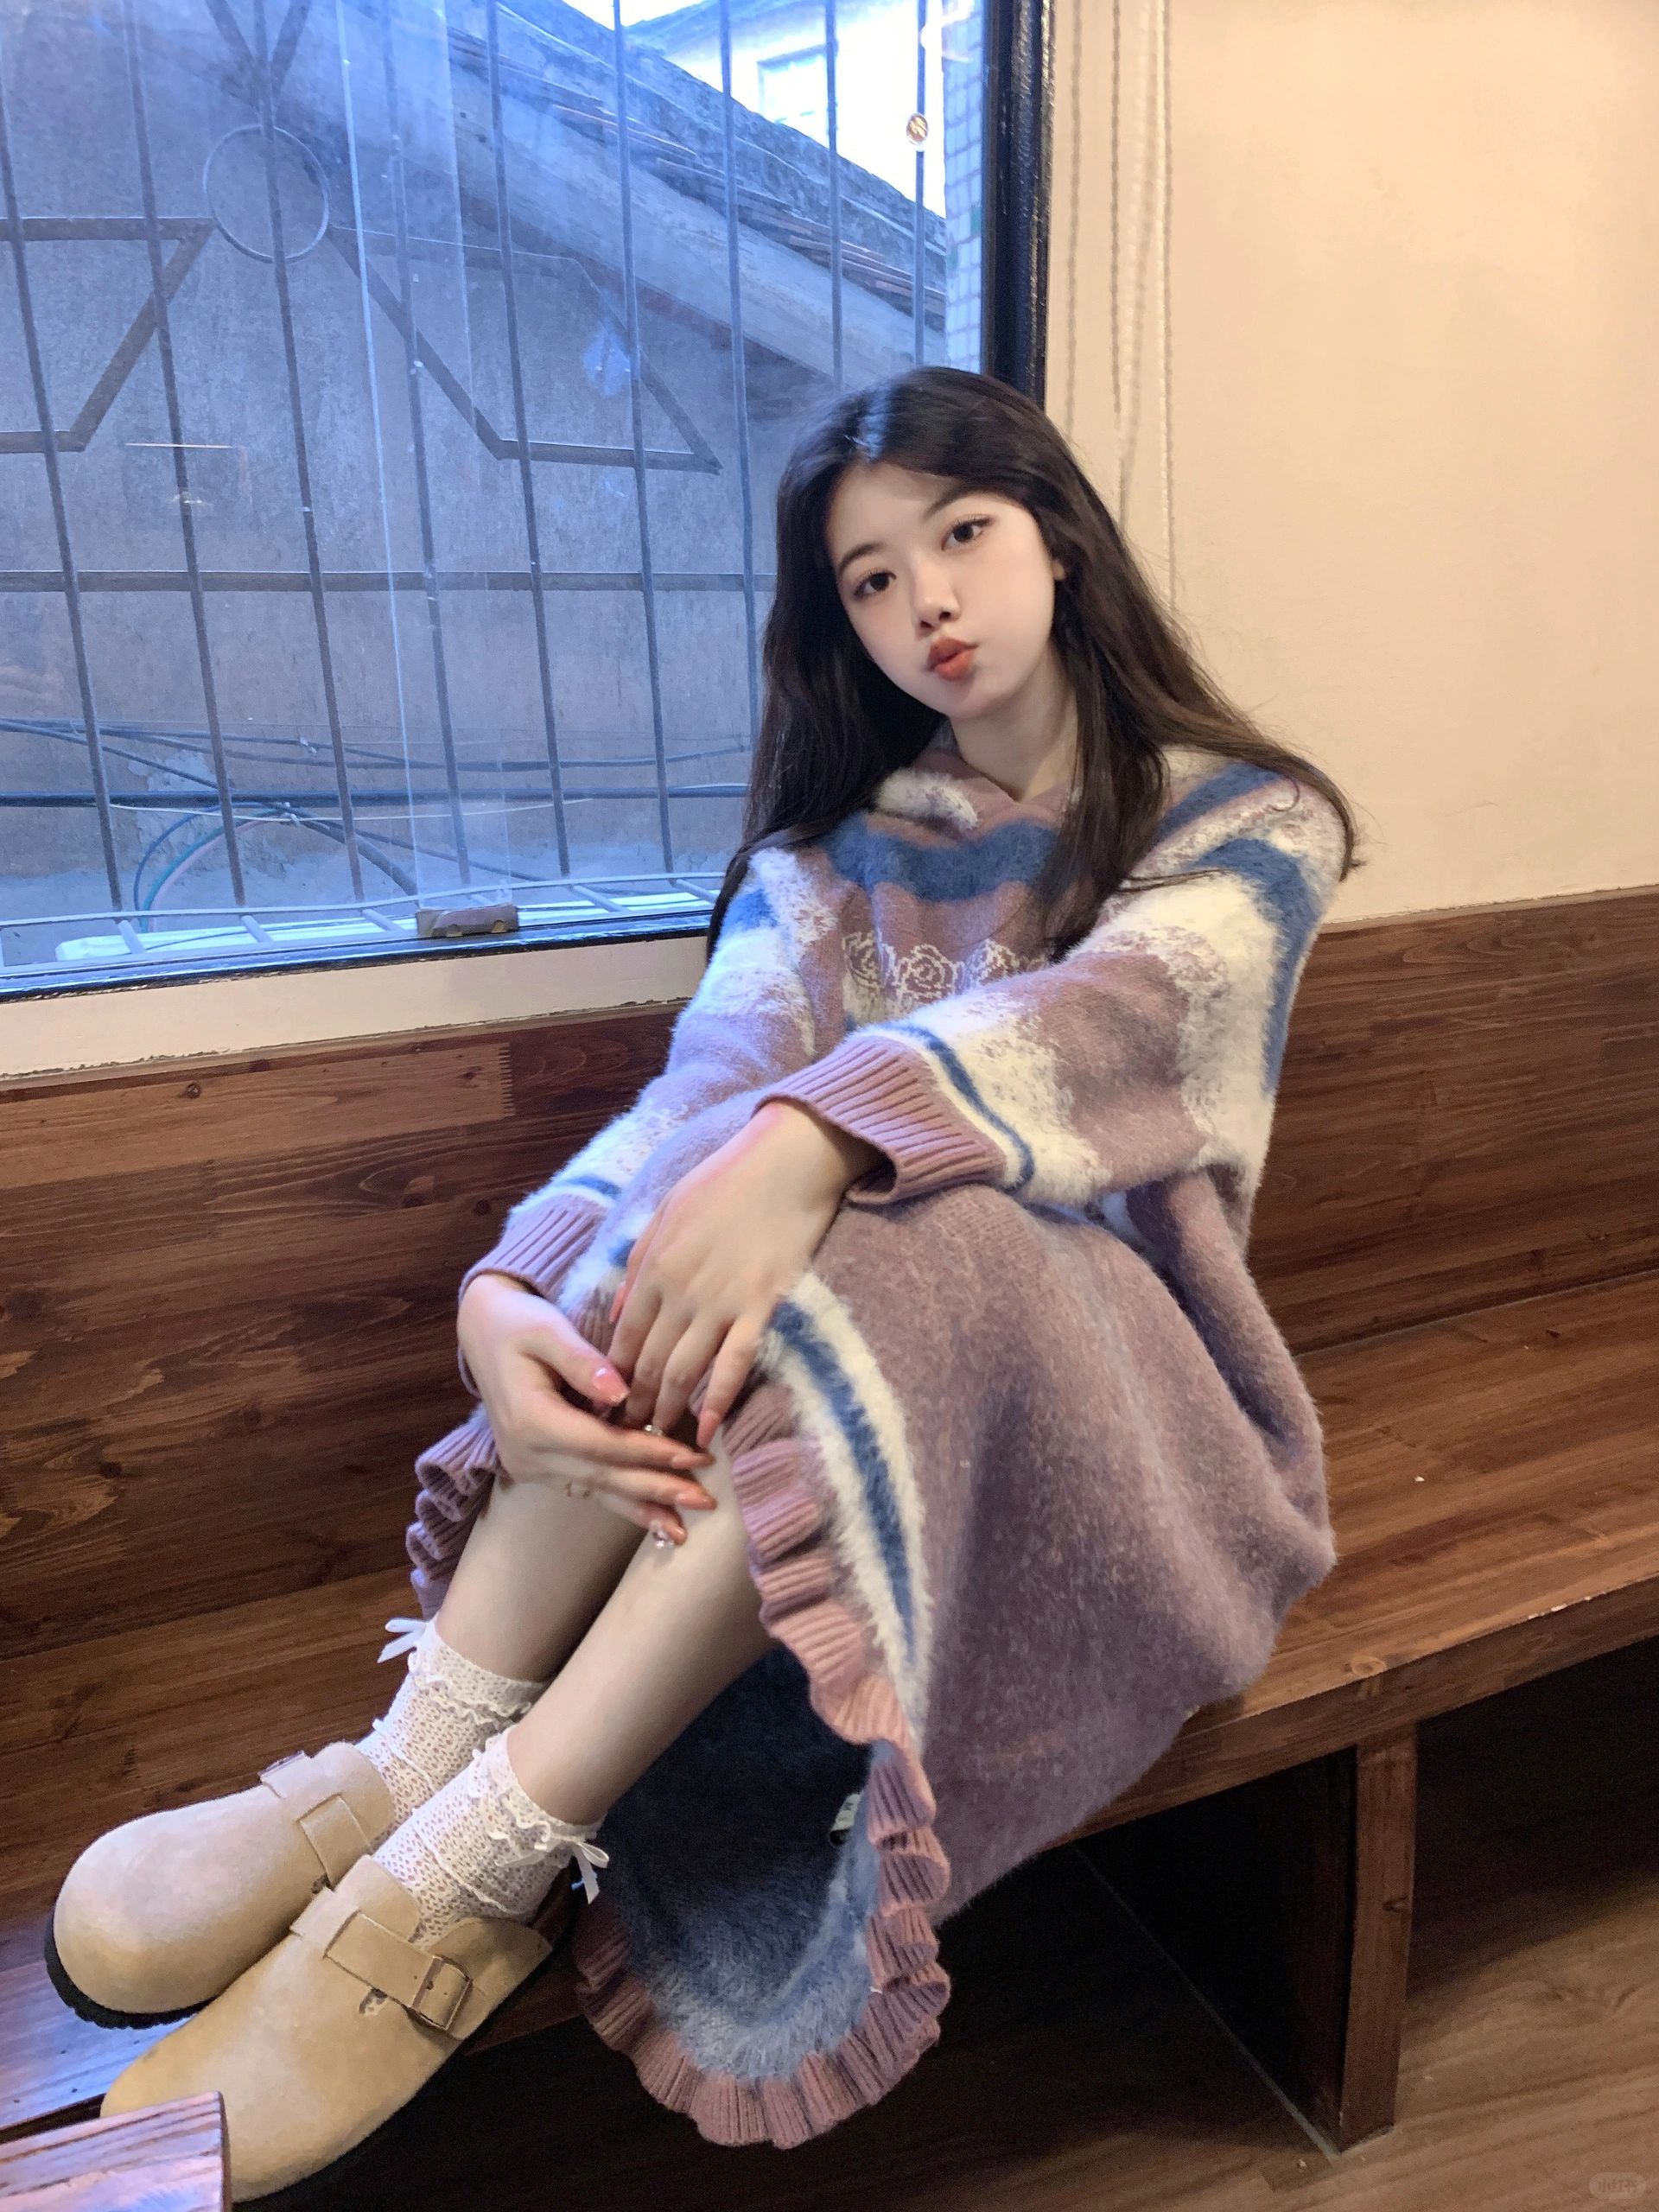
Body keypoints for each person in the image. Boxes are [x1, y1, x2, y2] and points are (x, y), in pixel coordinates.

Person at [52, 365, 1363, 2202]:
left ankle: (485, 1863)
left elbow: (1112, 1022)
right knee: (712, 1198)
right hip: (860, 1415)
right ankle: (422, 1755)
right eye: (873, 578)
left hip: (1145, 1435)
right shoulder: (837, 859)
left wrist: (823, 1137)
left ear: (1058, 535)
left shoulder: (1253, 824)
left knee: (900, 1225)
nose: (929, 602)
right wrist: (513, 1286)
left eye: (965, 535)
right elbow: (707, 1084)